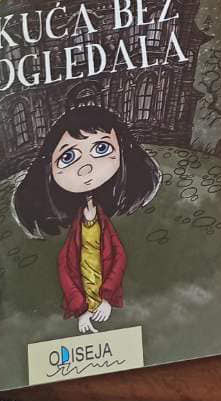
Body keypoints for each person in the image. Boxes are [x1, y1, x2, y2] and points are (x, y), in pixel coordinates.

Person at [13, 104, 163, 333]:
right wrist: (80, 308)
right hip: (83, 299)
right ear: (49, 167)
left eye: (101, 148)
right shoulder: (76, 224)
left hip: (109, 297)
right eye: (68, 156)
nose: (85, 168)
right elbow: (65, 267)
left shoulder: (106, 219)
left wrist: (107, 296)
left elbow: (118, 258)